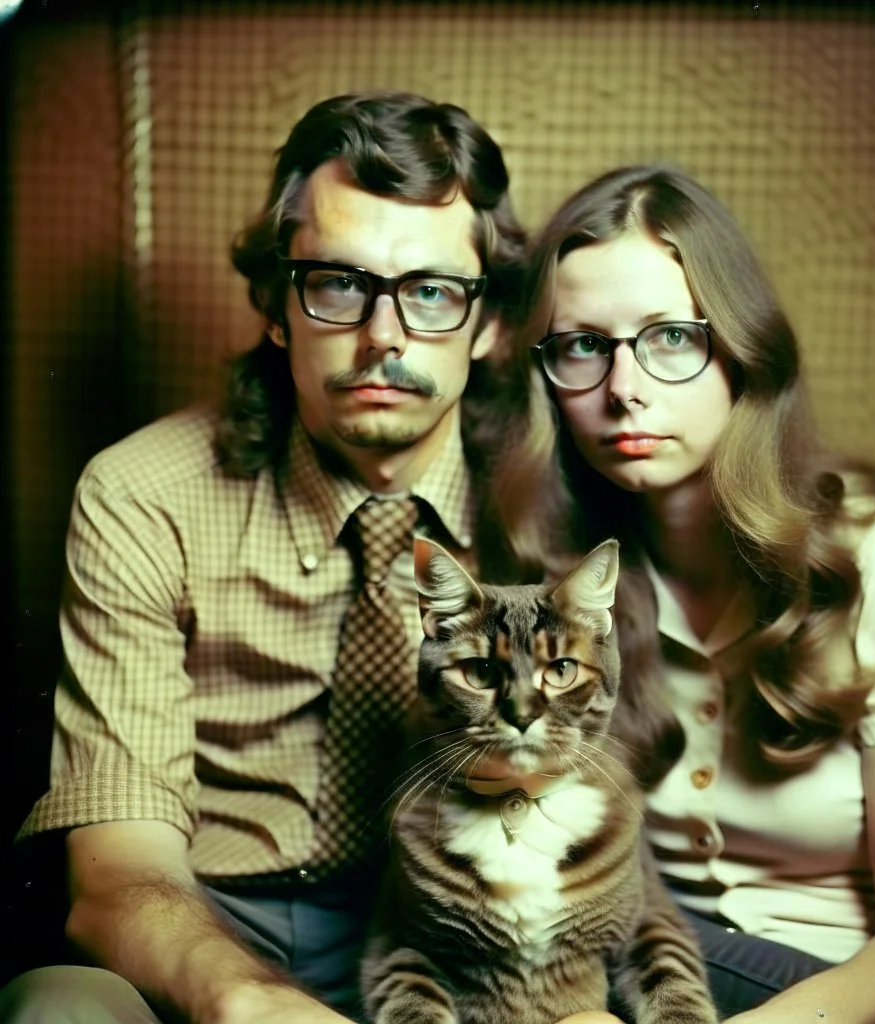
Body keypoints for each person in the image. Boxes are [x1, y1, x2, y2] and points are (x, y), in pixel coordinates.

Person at [0, 90, 535, 1024]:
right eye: (336, 284)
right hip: (196, 922)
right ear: (278, 307)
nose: (383, 338)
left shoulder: (545, 503)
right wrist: (246, 999)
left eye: (433, 292)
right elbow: (118, 876)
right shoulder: (142, 493)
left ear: (487, 324)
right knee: (57, 1011)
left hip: (440, 941)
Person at [497, 163, 875, 1024]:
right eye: (584, 346)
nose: (624, 392)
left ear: (741, 348)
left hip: (838, 996)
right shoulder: (549, 581)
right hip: (630, 975)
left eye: (670, 337)